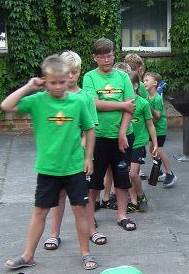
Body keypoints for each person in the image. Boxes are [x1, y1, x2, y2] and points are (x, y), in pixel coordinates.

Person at [1, 54, 99, 270]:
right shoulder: (37, 101)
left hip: (74, 168)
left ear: (68, 78)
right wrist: (29, 87)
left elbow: (90, 128)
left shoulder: (78, 102)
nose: (58, 86)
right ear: (44, 81)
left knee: (80, 211)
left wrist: (88, 157)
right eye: (53, 82)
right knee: (40, 212)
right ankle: (28, 255)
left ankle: (86, 253)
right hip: (48, 169)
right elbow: (6, 105)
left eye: (62, 81)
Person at [81, 38, 137, 232]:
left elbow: (131, 106)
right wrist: (121, 104)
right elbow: (93, 103)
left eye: (110, 55)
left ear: (114, 55)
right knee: (94, 180)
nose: (107, 60)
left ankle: (122, 215)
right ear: (95, 58)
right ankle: (90, 217)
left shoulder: (123, 77)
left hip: (122, 135)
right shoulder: (89, 77)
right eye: (102, 57)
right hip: (97, 136)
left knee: (122, 176)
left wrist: (122, 133)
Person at [44, 50, 90, 250]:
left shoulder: (85, 98)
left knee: (81, 200)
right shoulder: (51, 98)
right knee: (59, 195)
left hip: (77, 157)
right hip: (56, 158)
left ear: (80, 72)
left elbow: (90, 128)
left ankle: (90, 232)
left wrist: (84, 150)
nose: (71, 76)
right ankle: (54, 234)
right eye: (67, 72)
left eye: (75, 72)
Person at [127, 71, 158, 212]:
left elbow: (150, 125)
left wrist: (155, 143)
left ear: (135, 86)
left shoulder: (143, 103)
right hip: (125, 143)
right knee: (126, 174)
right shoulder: (121, 103)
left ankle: (140, 195)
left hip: (138, 142)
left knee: (133, 173)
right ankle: (133, 201)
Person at [143, 71, 177, 188]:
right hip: (152, 129)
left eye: (147, 80)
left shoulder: (156, 99)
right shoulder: (147, 97)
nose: (144, 82)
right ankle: (160, 171)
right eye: (144, 80)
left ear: (155, 83)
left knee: (159, 151)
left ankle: (170, 173)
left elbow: (157, 116)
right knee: (151, 149)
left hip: (159, 129)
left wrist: (149, 107)